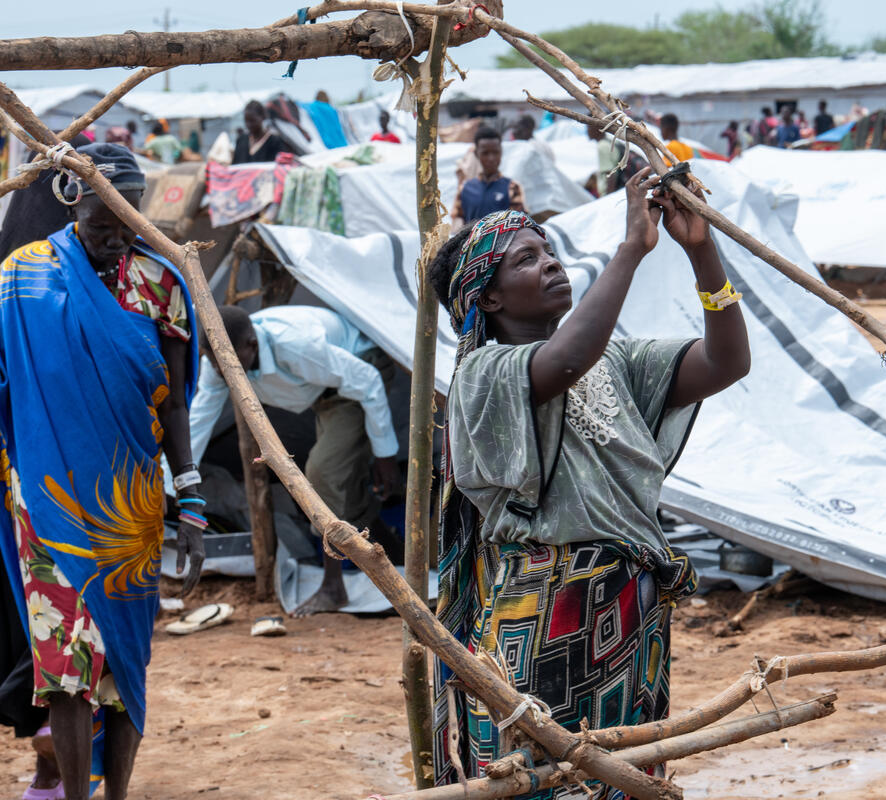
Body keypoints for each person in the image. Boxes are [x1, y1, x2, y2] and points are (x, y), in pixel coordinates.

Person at [428, 168, 750, 791]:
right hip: (546, 612)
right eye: (526, 259)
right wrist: (631, 249)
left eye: (549, 250)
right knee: (549, 775)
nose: (550, 263)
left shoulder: (619, 363)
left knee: (622, 773)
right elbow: (566, 359)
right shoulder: (482, 374)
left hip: (629, 610)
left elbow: (727, 361)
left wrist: (702, 250)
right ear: (487, 299)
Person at [0, 143, 206, 800]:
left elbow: (172, 402)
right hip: (45, 497)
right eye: (101, 222)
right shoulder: (19, 279)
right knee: (64, 665)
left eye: (128, 220)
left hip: (130, 507)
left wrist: (193, 502)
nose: (117, 237)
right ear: (72, 201)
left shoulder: (160, 282)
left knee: (122, 662)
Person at [187, 305, 402, 617]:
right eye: (213, 361)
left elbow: (367, 380)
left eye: (225, 362)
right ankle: (393, 553)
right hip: (323, 394)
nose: (220, 370)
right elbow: (200, 420)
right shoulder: (221, 358)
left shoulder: (295, 345)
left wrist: (386, 456)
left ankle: (333, 586)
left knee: (321, 472)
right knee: (340, 479)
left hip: (361, 372)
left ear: (251, 345)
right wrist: (175, 484)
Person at [0, 130, 91, 800]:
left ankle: (52, 766)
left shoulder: (28, 273)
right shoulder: (37, 274)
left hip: (45, 489)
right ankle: (52, 766)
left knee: (51, 631)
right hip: (38, 487)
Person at [451, 126, 525, 229]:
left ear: (501, 152)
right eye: (485, 153)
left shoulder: (512, 188)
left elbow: (518, 226)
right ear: (477, 154)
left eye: (495, 152)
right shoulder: (465, 188)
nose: (491, 158)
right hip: (472, 244)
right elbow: (457, 223)